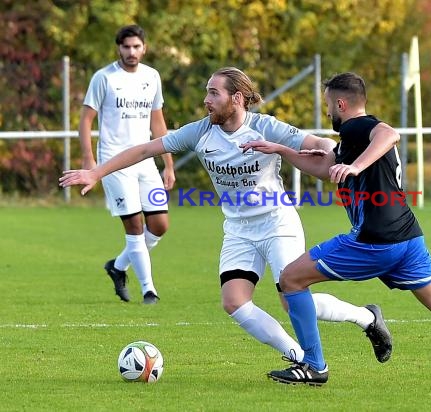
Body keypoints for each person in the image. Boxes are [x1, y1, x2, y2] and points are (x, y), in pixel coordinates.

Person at [61, 67, 392, 365]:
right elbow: (146, 149)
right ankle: (296, 355)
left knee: (292, 300)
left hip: (277, 222)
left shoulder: (265, 127)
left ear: (236, 98)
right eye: (207, 92)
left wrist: (330, 149)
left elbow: (317, 142)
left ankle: (366, 318)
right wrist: (97, 172)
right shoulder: (200, 132)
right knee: (234, 301)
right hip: (238, 228)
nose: (206, 100)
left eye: (213, 93)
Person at [241, 72, 431, 386]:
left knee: (291, 278)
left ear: (341, 103)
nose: (328, 112)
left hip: (374, 240)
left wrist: (355, 166)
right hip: (408, 239)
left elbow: (389, 133)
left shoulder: (357, 126)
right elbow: (324, 168)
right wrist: (280, 150)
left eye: (329, 105)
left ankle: (315, 365)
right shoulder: (352, 139)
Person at [78, 25, 175, 304]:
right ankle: (149, 291)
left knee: (159, 225)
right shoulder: (104, 78)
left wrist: (167, 164)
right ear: (118, 48)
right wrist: (89, 161)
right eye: (126, 47)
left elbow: (157, 121)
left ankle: (118, 266)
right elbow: (86, 120)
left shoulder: (151, 76)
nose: (131, 52)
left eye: (136, 46)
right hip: (113, 163)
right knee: (134, 226)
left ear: (144, 47)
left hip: (146, 163)